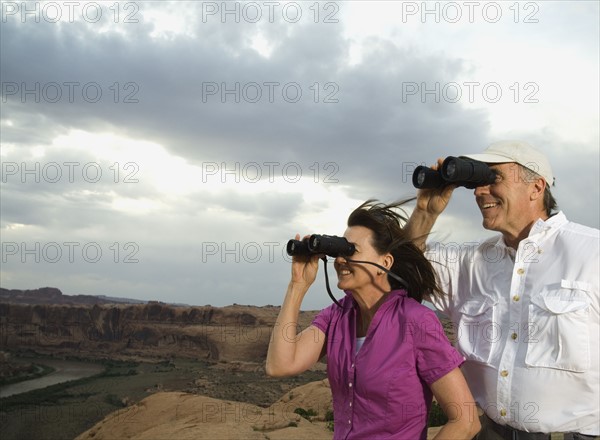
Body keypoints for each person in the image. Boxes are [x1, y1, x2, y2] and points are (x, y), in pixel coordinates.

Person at [405, 140, 599, 439]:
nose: (479, 191)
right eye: (477, 182)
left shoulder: (592, 252)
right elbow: (403, 271)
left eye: (492, 179)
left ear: (536, 187)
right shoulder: (471, 263)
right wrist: (425, 212)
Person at [266, 200, 481, 439]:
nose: (339, 260)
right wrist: (297, 286)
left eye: (350, 251)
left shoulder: (416, 322)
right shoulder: (336, 316)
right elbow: (280, 365)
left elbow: (466, 421)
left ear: (385, 263)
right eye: (338, 251)